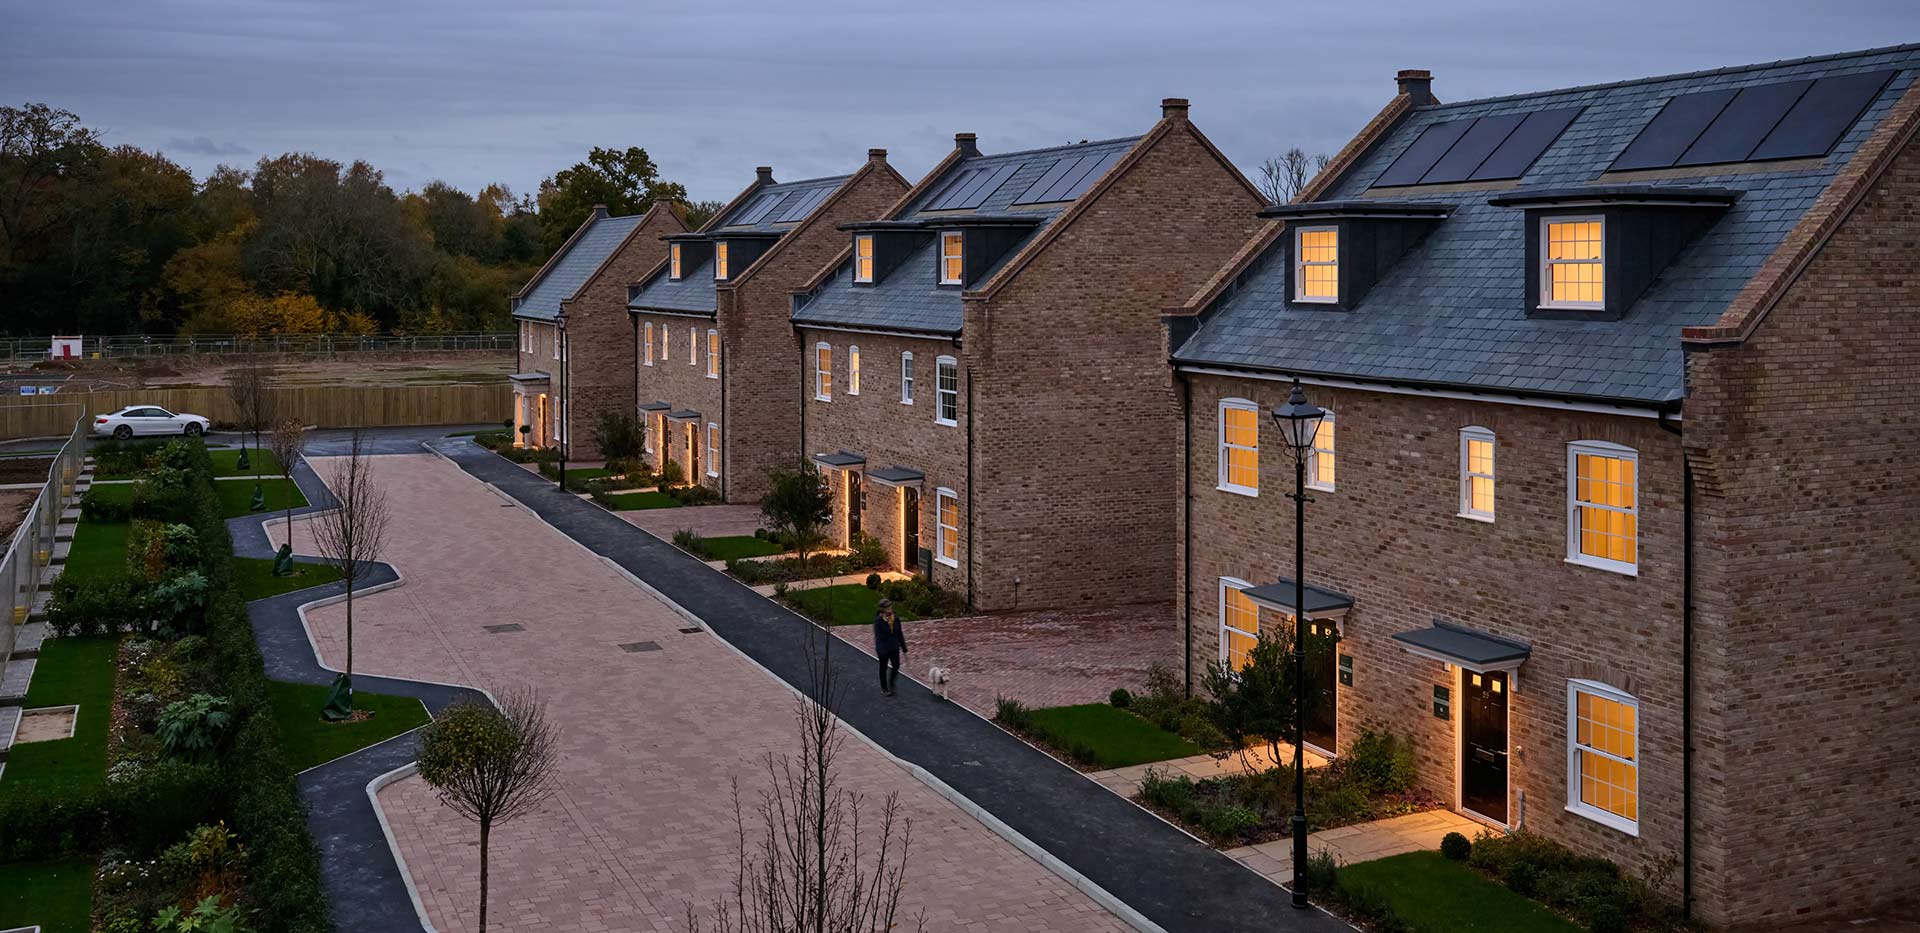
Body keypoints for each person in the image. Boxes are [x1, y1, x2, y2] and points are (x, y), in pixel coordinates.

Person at [873, 597, 906, 696]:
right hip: (883, 649)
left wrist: (903, 646)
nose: (890, 608)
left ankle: (891, 683)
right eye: (888, 607)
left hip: (894, 646)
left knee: (896, 665)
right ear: (883, 609)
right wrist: (881, 650)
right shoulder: (879, 620)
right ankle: (884, 688)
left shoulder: (895, 618)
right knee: (883, 668)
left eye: (890, 606)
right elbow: (878, 636)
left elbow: (899, 632)